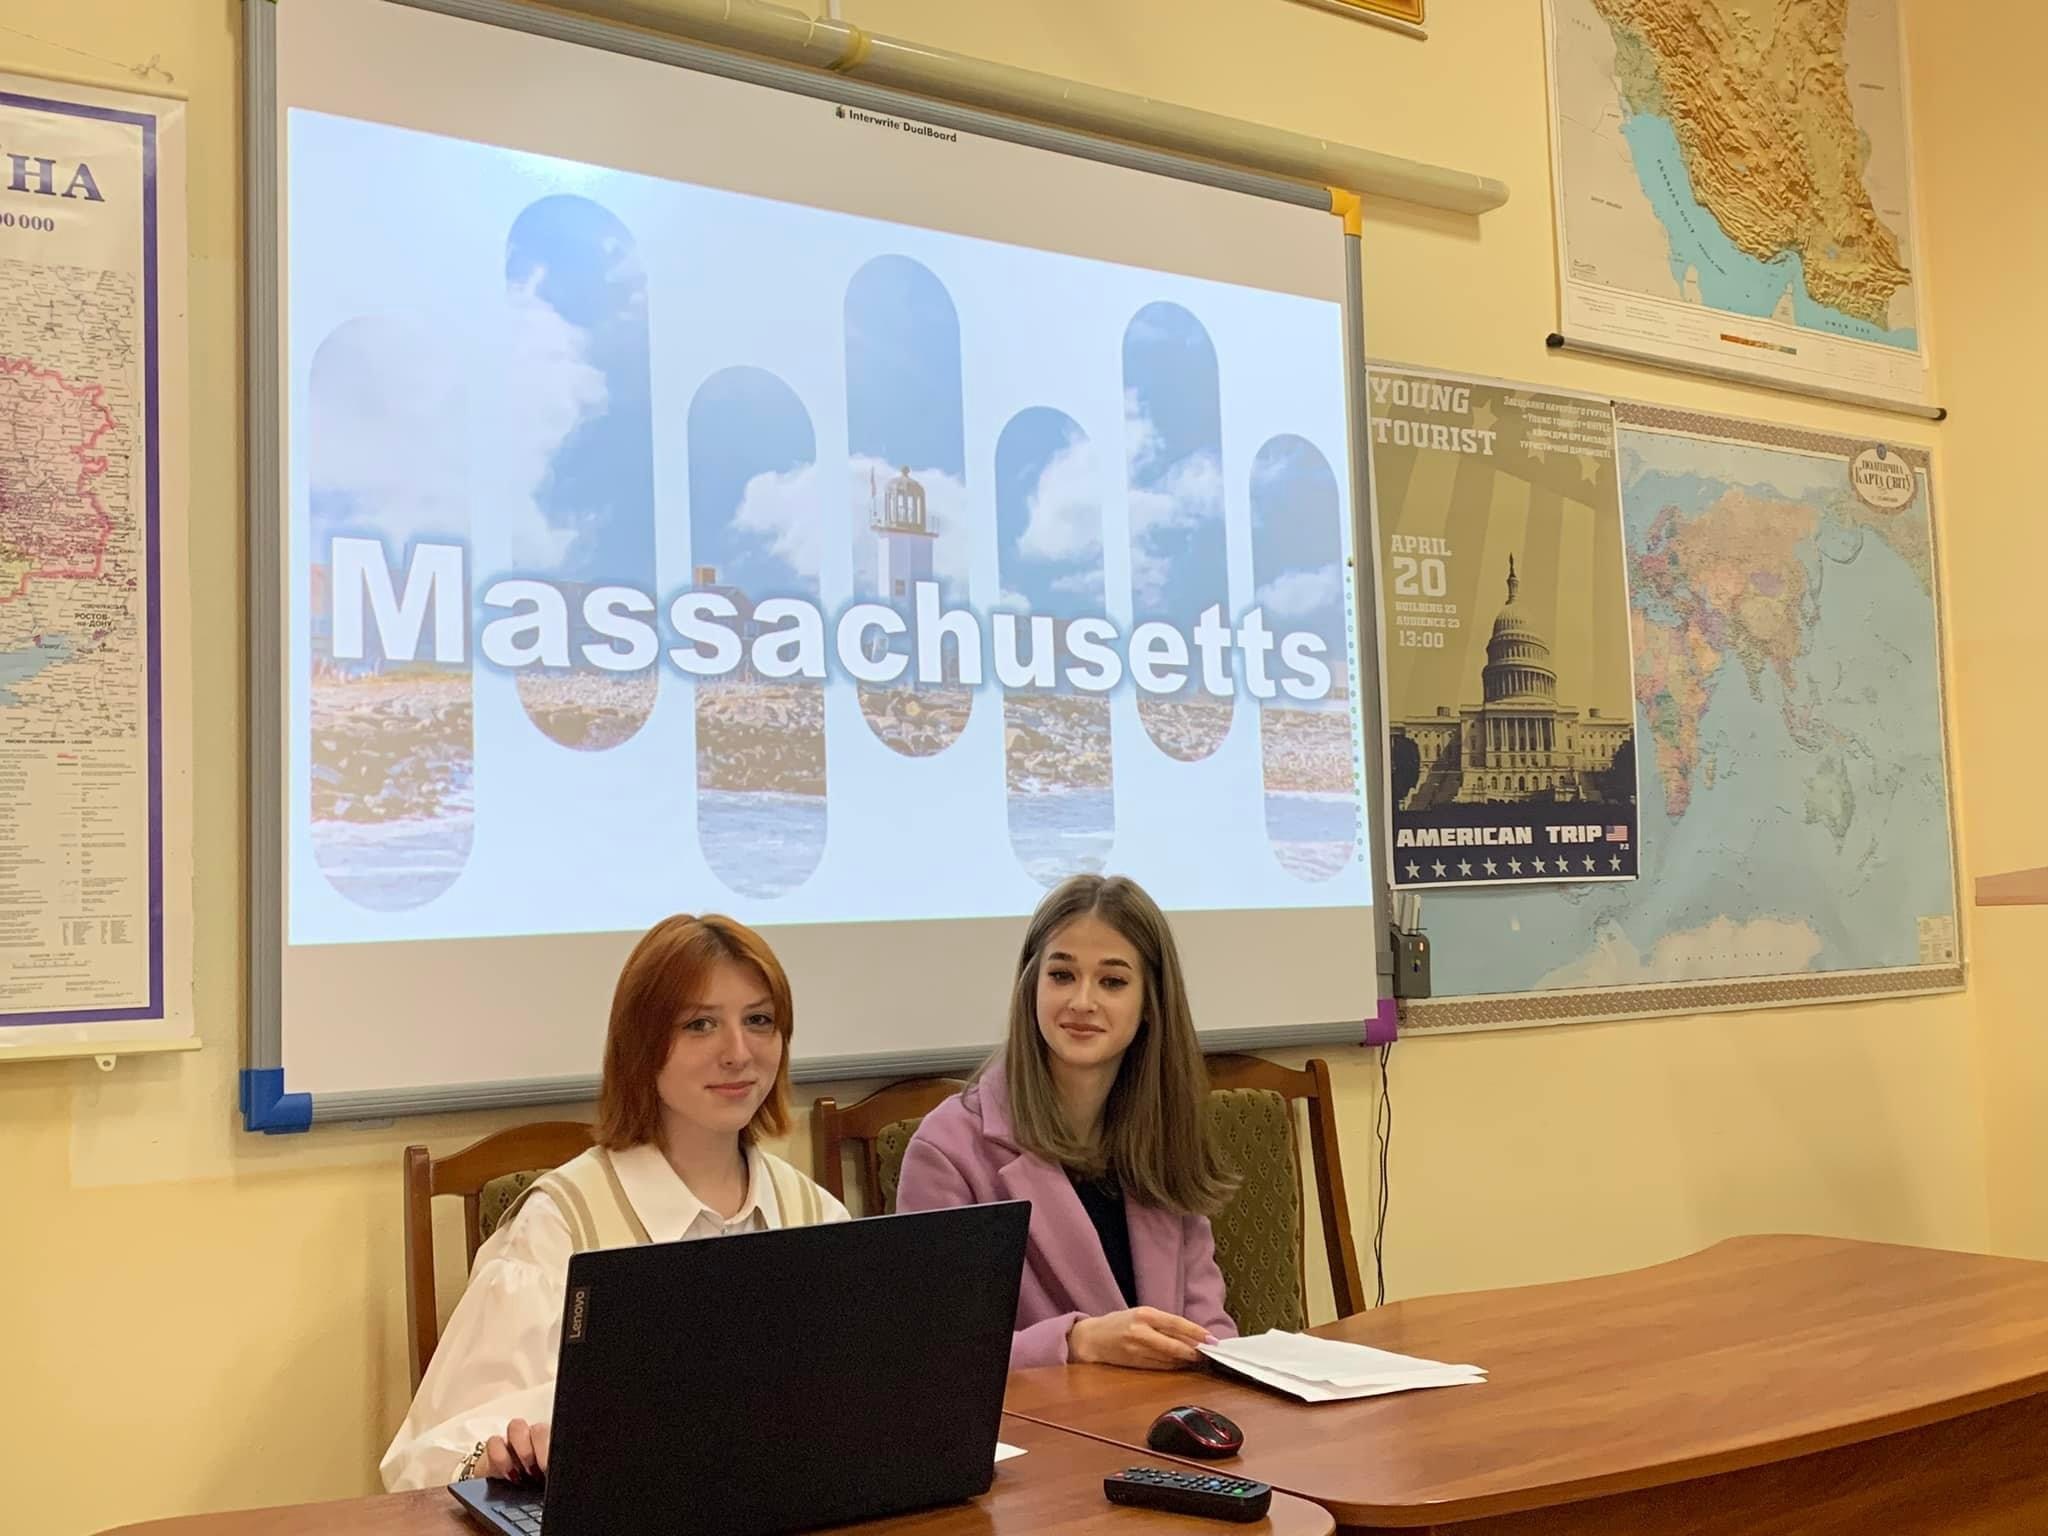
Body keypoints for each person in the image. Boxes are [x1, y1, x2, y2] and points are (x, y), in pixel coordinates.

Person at [380, 914, 848, 1491]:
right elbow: (426, 1460)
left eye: (759, 1021)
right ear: (641, 1047)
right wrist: (496, 1460)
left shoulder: (817, 1216)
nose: (738, 1052)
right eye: (700, 1024)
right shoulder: (562, 1225)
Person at [897, 874, 1238, 1370]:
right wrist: (1075, 1343)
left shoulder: (1163, 1132)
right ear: (1030, 987)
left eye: (1112, 981)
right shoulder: (946, 1150)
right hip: (1034, 1418)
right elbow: (935, 1351)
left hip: (1164, 1412)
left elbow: (1208, 1328)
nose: (1082, 1001)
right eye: (1061, 975)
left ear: (1150, 1004)